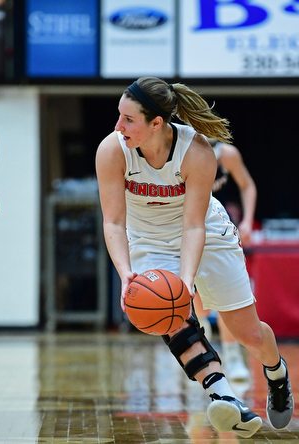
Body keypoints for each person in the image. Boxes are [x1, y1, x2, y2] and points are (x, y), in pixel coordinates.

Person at [95, 76, 293, 438]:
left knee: (247, 332)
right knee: (167, 314)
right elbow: (114, 221)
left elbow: (193, 227)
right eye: (118, 116)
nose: (117, 126)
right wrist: (126, 274)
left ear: (157, 123)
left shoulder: (197, 151)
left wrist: (186, 282)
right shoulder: (111, 150)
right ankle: (223, 393)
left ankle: (277, 373)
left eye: (128, 120)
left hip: (206, 232)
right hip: (149, 239)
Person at [194, 138, 258, 381]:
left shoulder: (227, 154)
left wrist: (247, 221)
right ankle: (204, 342)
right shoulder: (180, 153)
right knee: (196, 295)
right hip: (190, 227)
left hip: (220, 229)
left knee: (225, 298)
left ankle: (232, 356)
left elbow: (247, 185)